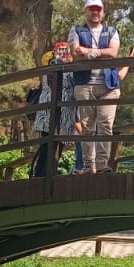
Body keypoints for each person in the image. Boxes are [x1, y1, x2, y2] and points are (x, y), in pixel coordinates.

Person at [68, 0, 121, 174]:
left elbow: (113, 52)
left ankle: (102, 165)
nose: (95, 12)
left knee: (106, 126)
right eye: (92, 9)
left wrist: (90, 53)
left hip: (108, 85)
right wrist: (98, 53)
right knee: (87, 128)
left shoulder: (112, 31)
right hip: (85, 84)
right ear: (86, 12)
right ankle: (89, 166)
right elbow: (75, 52)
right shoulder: (75, 30)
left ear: (103, 11)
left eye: (98, 9)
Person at [32, 42, 80, 177]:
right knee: (52, 147)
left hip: (50, 113)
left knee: (47, 146)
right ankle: (44, 177)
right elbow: (67, 84)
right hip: (58, 115)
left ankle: (41, 175)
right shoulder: (61, 67)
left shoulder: (50, 66)